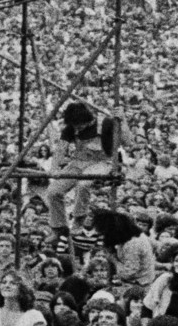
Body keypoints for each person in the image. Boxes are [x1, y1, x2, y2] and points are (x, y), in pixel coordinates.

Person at [34, 101, 127, 245]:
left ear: (87, 120)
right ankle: (59, 228)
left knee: (84, 184)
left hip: (102, 162)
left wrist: (123, 121)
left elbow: (127, 141)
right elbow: (61, 149)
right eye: (74, 126)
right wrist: (54, 168)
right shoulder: (71, 127)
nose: (77, 129)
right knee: (53, 191)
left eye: (79, 125)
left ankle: (79, 218)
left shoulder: (105, 123)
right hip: (79, 162)